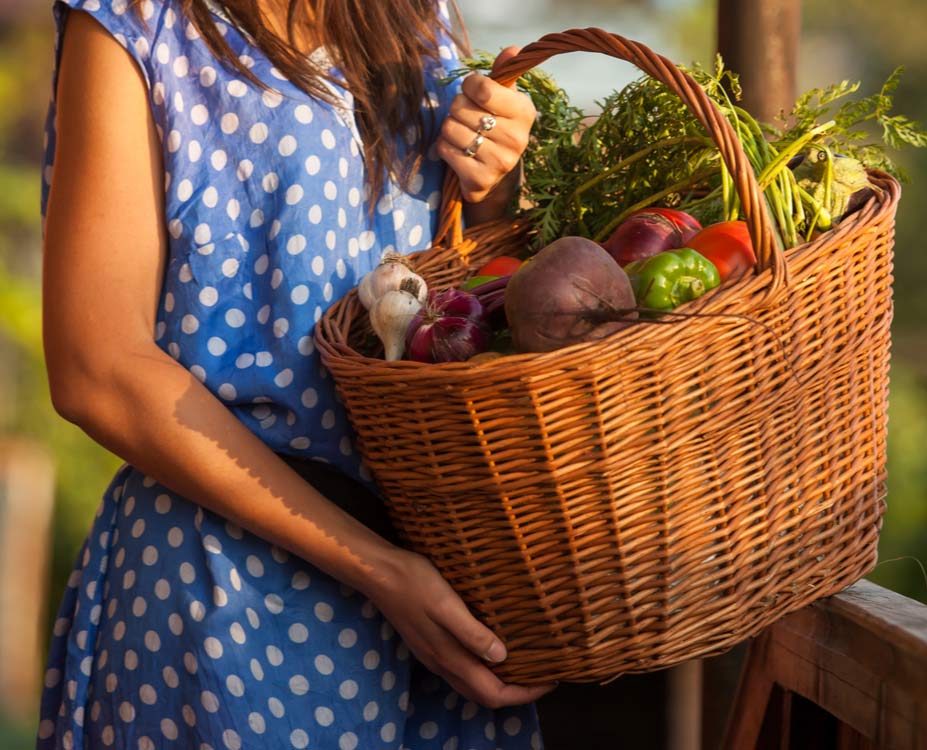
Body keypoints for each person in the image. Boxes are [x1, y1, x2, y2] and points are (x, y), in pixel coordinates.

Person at [36, 0, 549, 747]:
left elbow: (446, 287)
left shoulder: (414, 17)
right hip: (224, 596)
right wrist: (377, 569)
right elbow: (97, 366)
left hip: (434, 605)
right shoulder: (139, 20)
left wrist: (493, 179)